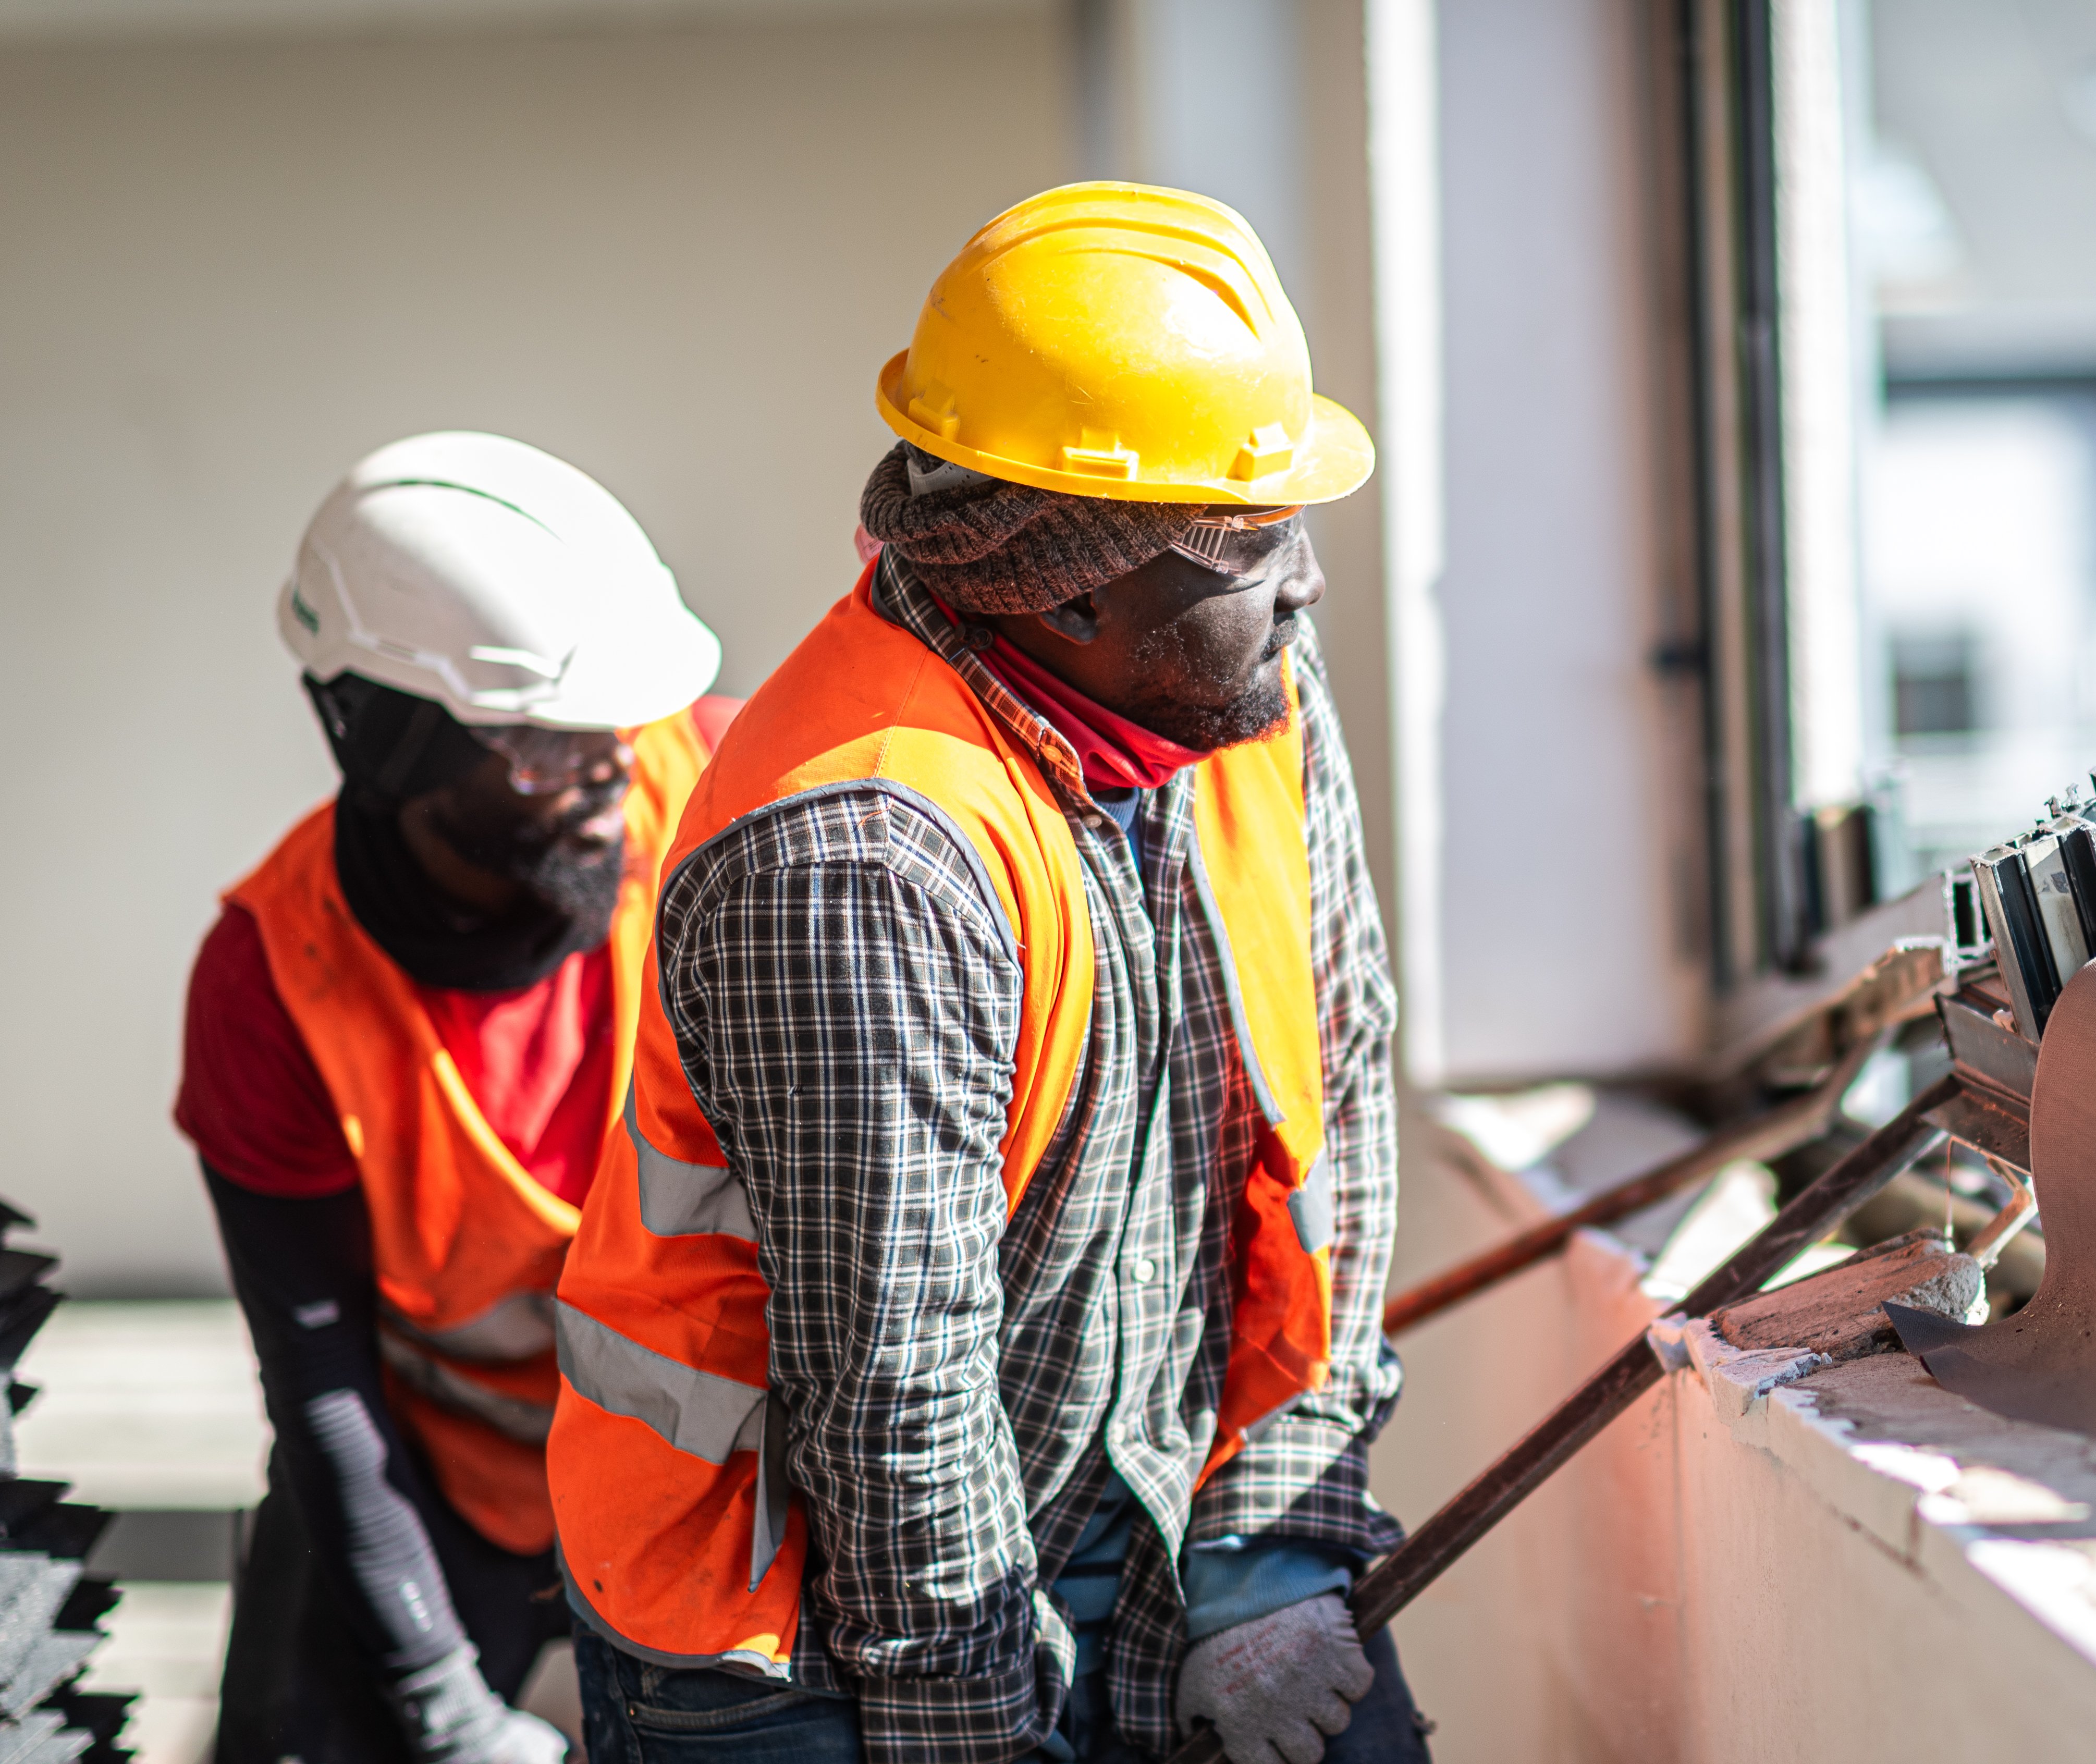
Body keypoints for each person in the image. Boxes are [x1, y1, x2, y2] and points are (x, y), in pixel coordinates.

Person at [550, 182, 1430, 1764]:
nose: (1304, 583)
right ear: (1074, 584)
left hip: (1134, 1498)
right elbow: (896, 1391)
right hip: (808, 1620)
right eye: (1248, 541)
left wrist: (1268, 1547)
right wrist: (976, 1734)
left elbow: (1341, 1090)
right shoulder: (867, 852)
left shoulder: (1236, 696)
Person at [176, 433, 732, 1764]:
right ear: (385, 741)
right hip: (435, 1475)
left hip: (709, 1477)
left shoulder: (717, 800)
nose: (605, 773)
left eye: (612, 725)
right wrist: (435, 1695)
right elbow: (318, 1381)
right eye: (537, 745)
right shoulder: (273, 980)